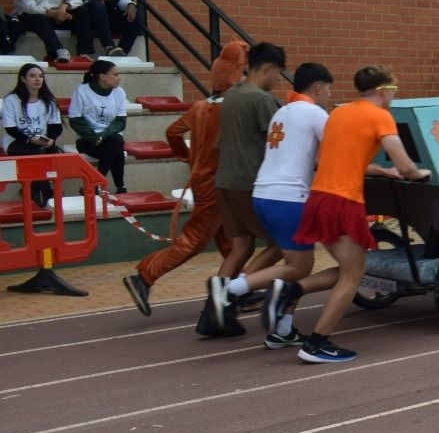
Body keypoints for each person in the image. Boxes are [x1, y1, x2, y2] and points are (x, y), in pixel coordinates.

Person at [290, 65, 430, 363]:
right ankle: (317, 343)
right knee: (353, 275)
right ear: (383, 91)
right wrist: (417, 174)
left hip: (318, 197)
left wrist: (382, 171)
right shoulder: (381, 116)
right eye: (394, 91)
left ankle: (290, 290)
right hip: (345, 200)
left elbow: (324, 158)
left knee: (346, 268)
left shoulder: (339, 112)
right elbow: (405, 164)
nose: (394, 96)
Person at [212, 63, 338, 350]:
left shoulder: (283, 111)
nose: (329, 95)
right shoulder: (316, 114)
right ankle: (232, 290)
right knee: (299, 267)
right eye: (328, 89)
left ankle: (282, 330)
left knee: (294, 266)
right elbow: (331, 155)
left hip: (263, 193)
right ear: (318, 88)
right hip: (289, 197)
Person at [123, 42, 248, 319]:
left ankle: (241, 289)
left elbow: (172, 132)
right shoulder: (231, 109)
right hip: (219, 185)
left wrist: (189, 159)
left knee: (231, 243)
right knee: (193, 241)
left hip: (204, 180)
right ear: (234, 76)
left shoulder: (201, 107)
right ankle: (144, 277)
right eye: (242, 74)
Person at [207, 42, 284, 323]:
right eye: (278, 73)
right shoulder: (261, 100)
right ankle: (235, 292)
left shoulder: (231, 96)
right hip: (249, 182)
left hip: (225, 180)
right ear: (268, 68)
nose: (278, 80)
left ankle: (214, 309)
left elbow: (218, 143)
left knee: (242, 246)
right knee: (281, 244)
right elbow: (278, 143)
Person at [3, 62, 64, 208]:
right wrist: (31, 139)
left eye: (40, 76)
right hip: (16, 142)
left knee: (56, 152)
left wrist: (51, 140)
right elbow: (10, 128)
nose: (37, 79)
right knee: (39, 152)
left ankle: (32, 189)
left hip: (42, 141)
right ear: (23, 79)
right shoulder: (11, 100)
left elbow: (56, 127)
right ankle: (47, 191)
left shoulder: (49, 100)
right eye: (32, 76)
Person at [68, 59, 128, 192]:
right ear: (102, 76)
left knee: (115, 142)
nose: (119, 78)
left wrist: (103, 134)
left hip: (109, 138)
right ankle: (119, 186)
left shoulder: (119, 93)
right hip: (87, 140)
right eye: (116, 75)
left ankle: (95, 184)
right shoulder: (82, 91)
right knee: (117, 148)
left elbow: (120, 121)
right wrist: (93, 137)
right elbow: (75, 120)